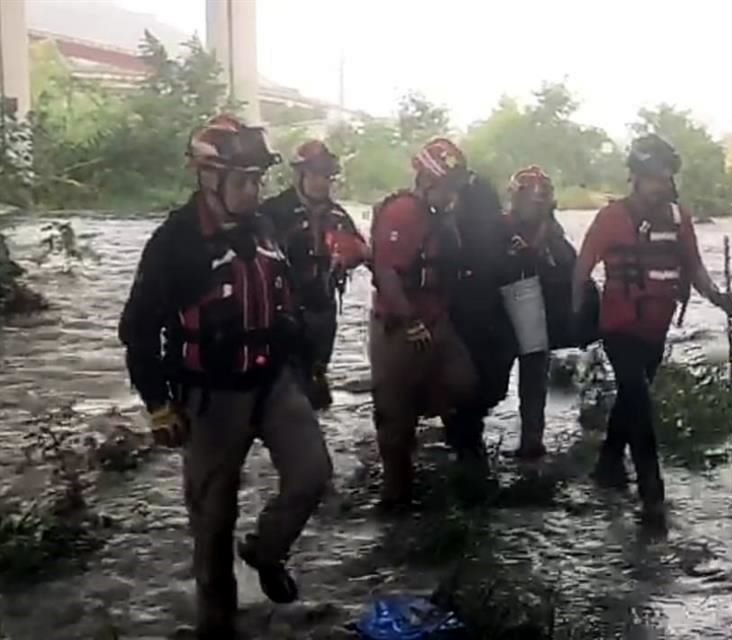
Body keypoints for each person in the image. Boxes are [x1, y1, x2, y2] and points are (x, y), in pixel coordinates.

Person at [118, 114, 333, 639]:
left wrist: (312, 368)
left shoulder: (264, 229)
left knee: (312, 474)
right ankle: (218, 627)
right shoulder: (175, 243)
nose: (255, 190)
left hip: (273, 381)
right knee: (212, 524)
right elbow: (139, 329)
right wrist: (159, 405)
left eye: (259, 179)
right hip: (211, 394)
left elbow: (290, 307)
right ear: (208, 178)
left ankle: (265, 550)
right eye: (244, 180)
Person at [571, 134, 732, 525]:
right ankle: (652, 493)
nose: (661, 184)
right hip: (618, 326)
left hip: (655, 328)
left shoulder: (679, 218)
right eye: (653, 177)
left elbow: (693, 266)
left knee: (632, 399)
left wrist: (717, 296)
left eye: (665, 176)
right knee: (639, 398)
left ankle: (608, 467)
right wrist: (574, 313)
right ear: (635, 177)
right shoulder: (611, 218)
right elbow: (582, 268)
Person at [368, 137, 478, 509]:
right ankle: (395, 497)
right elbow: (387, 271)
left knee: (465, 384)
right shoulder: (403, 212)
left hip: (437, 319)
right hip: (399, 325)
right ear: (428, 181)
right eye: (448, 187)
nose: (453, 195)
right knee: (394, 418)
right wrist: (409, 320)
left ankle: (434, 431)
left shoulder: (441, 216)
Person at [260, 139, 369, 410]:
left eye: (328, 176)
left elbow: (364, 254)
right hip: (282, 314)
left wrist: (354, 254)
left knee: (314, 391)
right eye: (317, 175)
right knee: (284, 393)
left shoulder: (337, 215)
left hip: (322, 312)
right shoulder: (273, 212)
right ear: (300, 174)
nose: (323, 182)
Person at [499, 166, 578, 460]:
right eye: (530, 198)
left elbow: (570, 268)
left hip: (537, 317)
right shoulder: (500, 226)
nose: (535, 204)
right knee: (493, 385)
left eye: (540, 199)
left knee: (533, 383)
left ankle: (532, 442)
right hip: (501, 316)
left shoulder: (554, 235)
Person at [441, 160, 516, 467]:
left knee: (481, 381)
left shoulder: (466, 212)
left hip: (481, 302)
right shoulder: (445, 220)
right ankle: (466, 439)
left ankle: (464, 436)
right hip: (471, 303)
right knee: (475, 381)